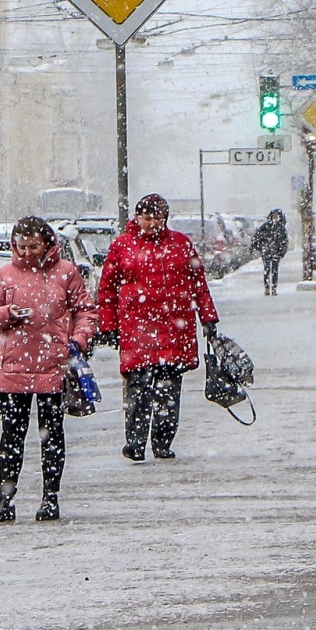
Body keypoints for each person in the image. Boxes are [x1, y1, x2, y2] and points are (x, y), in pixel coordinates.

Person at [0, 215, 95, 523]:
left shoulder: (66, 272)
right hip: (13, 368)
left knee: (52, 436)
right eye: (22, 247)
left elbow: (85, 311)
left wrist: (78, 340)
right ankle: (6, 498)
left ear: (47, 244)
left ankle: (50, 497)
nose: (27, 253)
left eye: (33, 246)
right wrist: (8, 312)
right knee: (11, 437)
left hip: (53, 367)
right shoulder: (5, 274)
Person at [95, 193, 218, 463]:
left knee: (169, 390)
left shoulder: (180, 245)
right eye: (148, 218)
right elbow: (107, 290)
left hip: (174, 330)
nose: (153, 223)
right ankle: (136, 442)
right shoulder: (123, 246)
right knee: (139, 390)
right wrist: (108, 325)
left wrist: (208, 319)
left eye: (158, 218)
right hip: (137, 330)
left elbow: (199, 284)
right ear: (137, 218)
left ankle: (162, 442)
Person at [252, 208, 291, 296]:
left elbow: (284, 241)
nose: (275, 218)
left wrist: (282, 251)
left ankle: (273, 288)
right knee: (267, 269)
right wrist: (260, 247)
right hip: (267, 251)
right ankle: (267, 288)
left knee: (274, 270)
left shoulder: (280, 228)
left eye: (277, 216)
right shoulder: (266, 226)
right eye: (274, 216)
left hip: (275, 252)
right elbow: (257, 237)